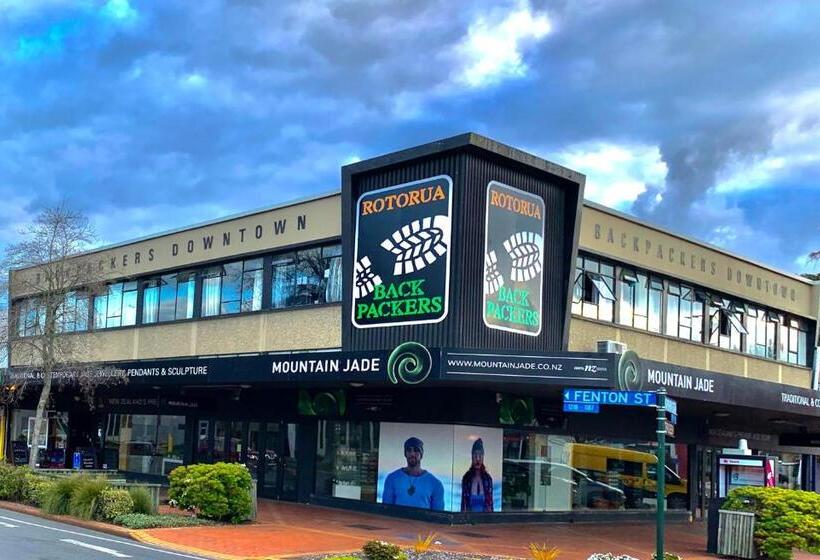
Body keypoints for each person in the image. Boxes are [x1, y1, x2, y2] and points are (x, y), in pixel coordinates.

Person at [382, 437, 445, 510]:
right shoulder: (392, 479)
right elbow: (386, 511)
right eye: (409, 450)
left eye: (416, 450)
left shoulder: (435, 484)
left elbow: (438, 517)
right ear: (405, 453)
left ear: (421, 454)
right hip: (398, 521)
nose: (412, 453)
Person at [461, 438, 494, 512]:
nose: (478, 459)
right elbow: (464, 505)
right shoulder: (466, 478)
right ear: (472, 457)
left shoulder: (488, 479)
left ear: (483, 457)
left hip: (484, 521)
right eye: (475, 455)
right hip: (469, 520)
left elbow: (490, 505)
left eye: (480, 455)